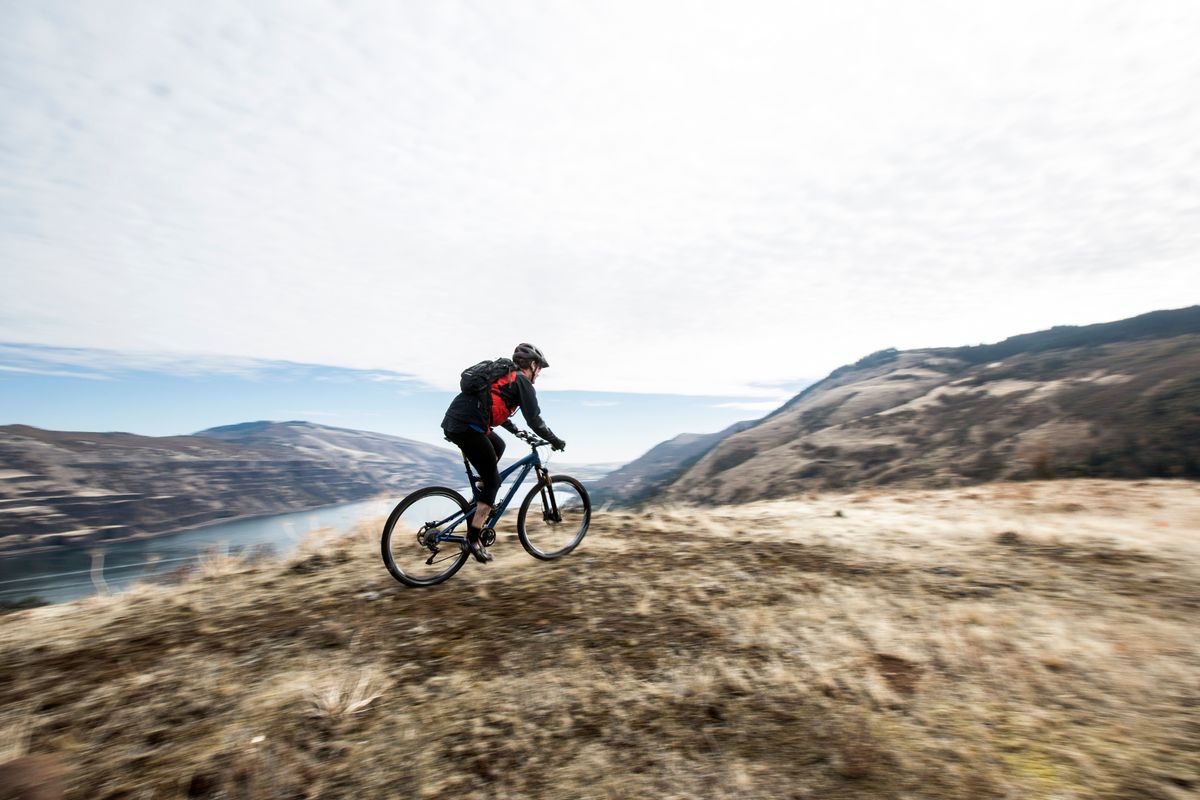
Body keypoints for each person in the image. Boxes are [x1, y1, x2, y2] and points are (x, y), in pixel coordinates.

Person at [442, 343, 566, 563]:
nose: (539, 374)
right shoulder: (522, 381)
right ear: (534, 365)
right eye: (540, 369)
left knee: (498, 446)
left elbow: (495, 405)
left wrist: (518, 432)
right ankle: (473, 539)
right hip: (467, 427)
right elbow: (534, 419)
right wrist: (554, 439)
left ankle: (481, 497)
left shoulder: (506, 377)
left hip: (458, 422)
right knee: (493, 482)